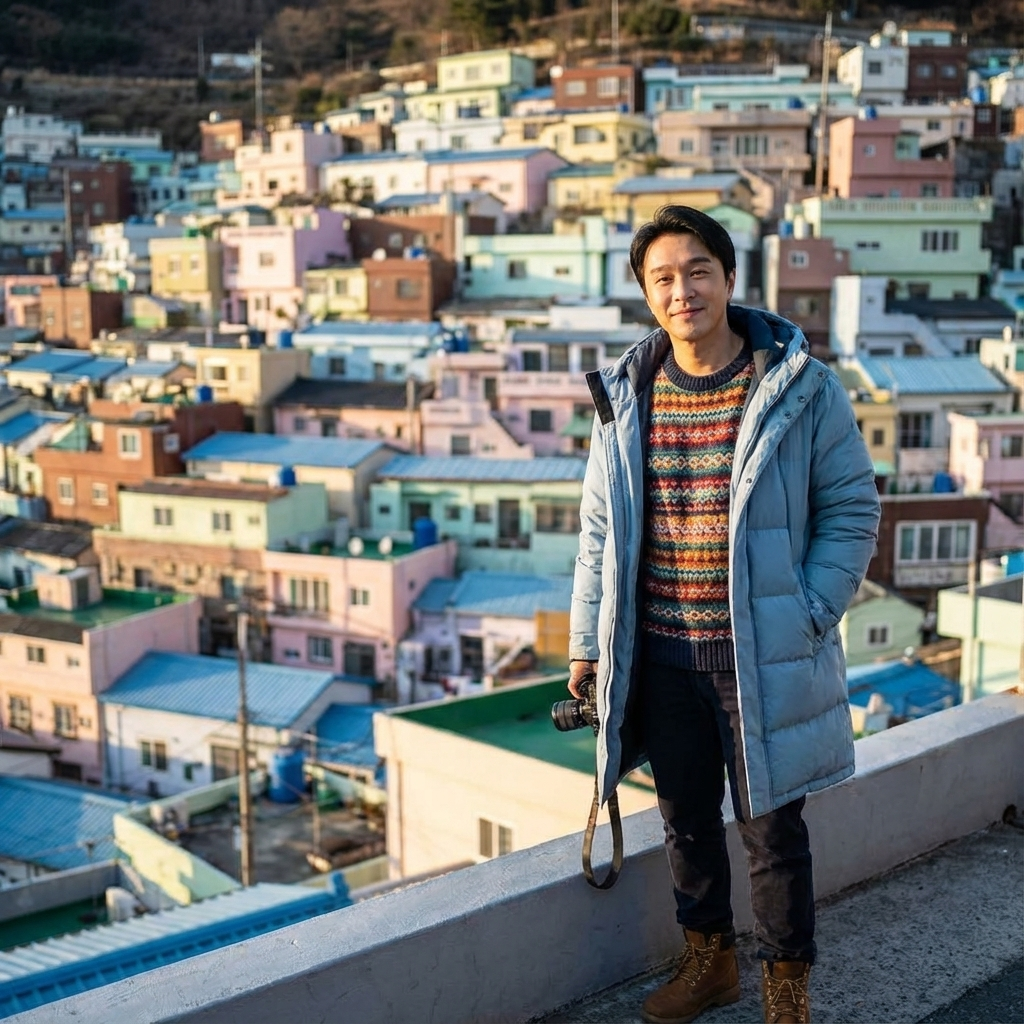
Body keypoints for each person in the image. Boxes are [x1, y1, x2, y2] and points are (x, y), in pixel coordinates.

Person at [567, 205, 880, 1024]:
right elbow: (599, 533)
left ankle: (787, 991)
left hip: (757, 654)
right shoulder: (626, 398)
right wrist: (586, 645)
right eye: (662, 278)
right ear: (645, 294)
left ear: (731, 279)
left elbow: (852, 507)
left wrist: (810, 612)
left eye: (698, 270)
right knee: (685, 823)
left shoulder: (798, 386)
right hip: (663, 655)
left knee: (772, 833)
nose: (683, 290)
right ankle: (711, 963)